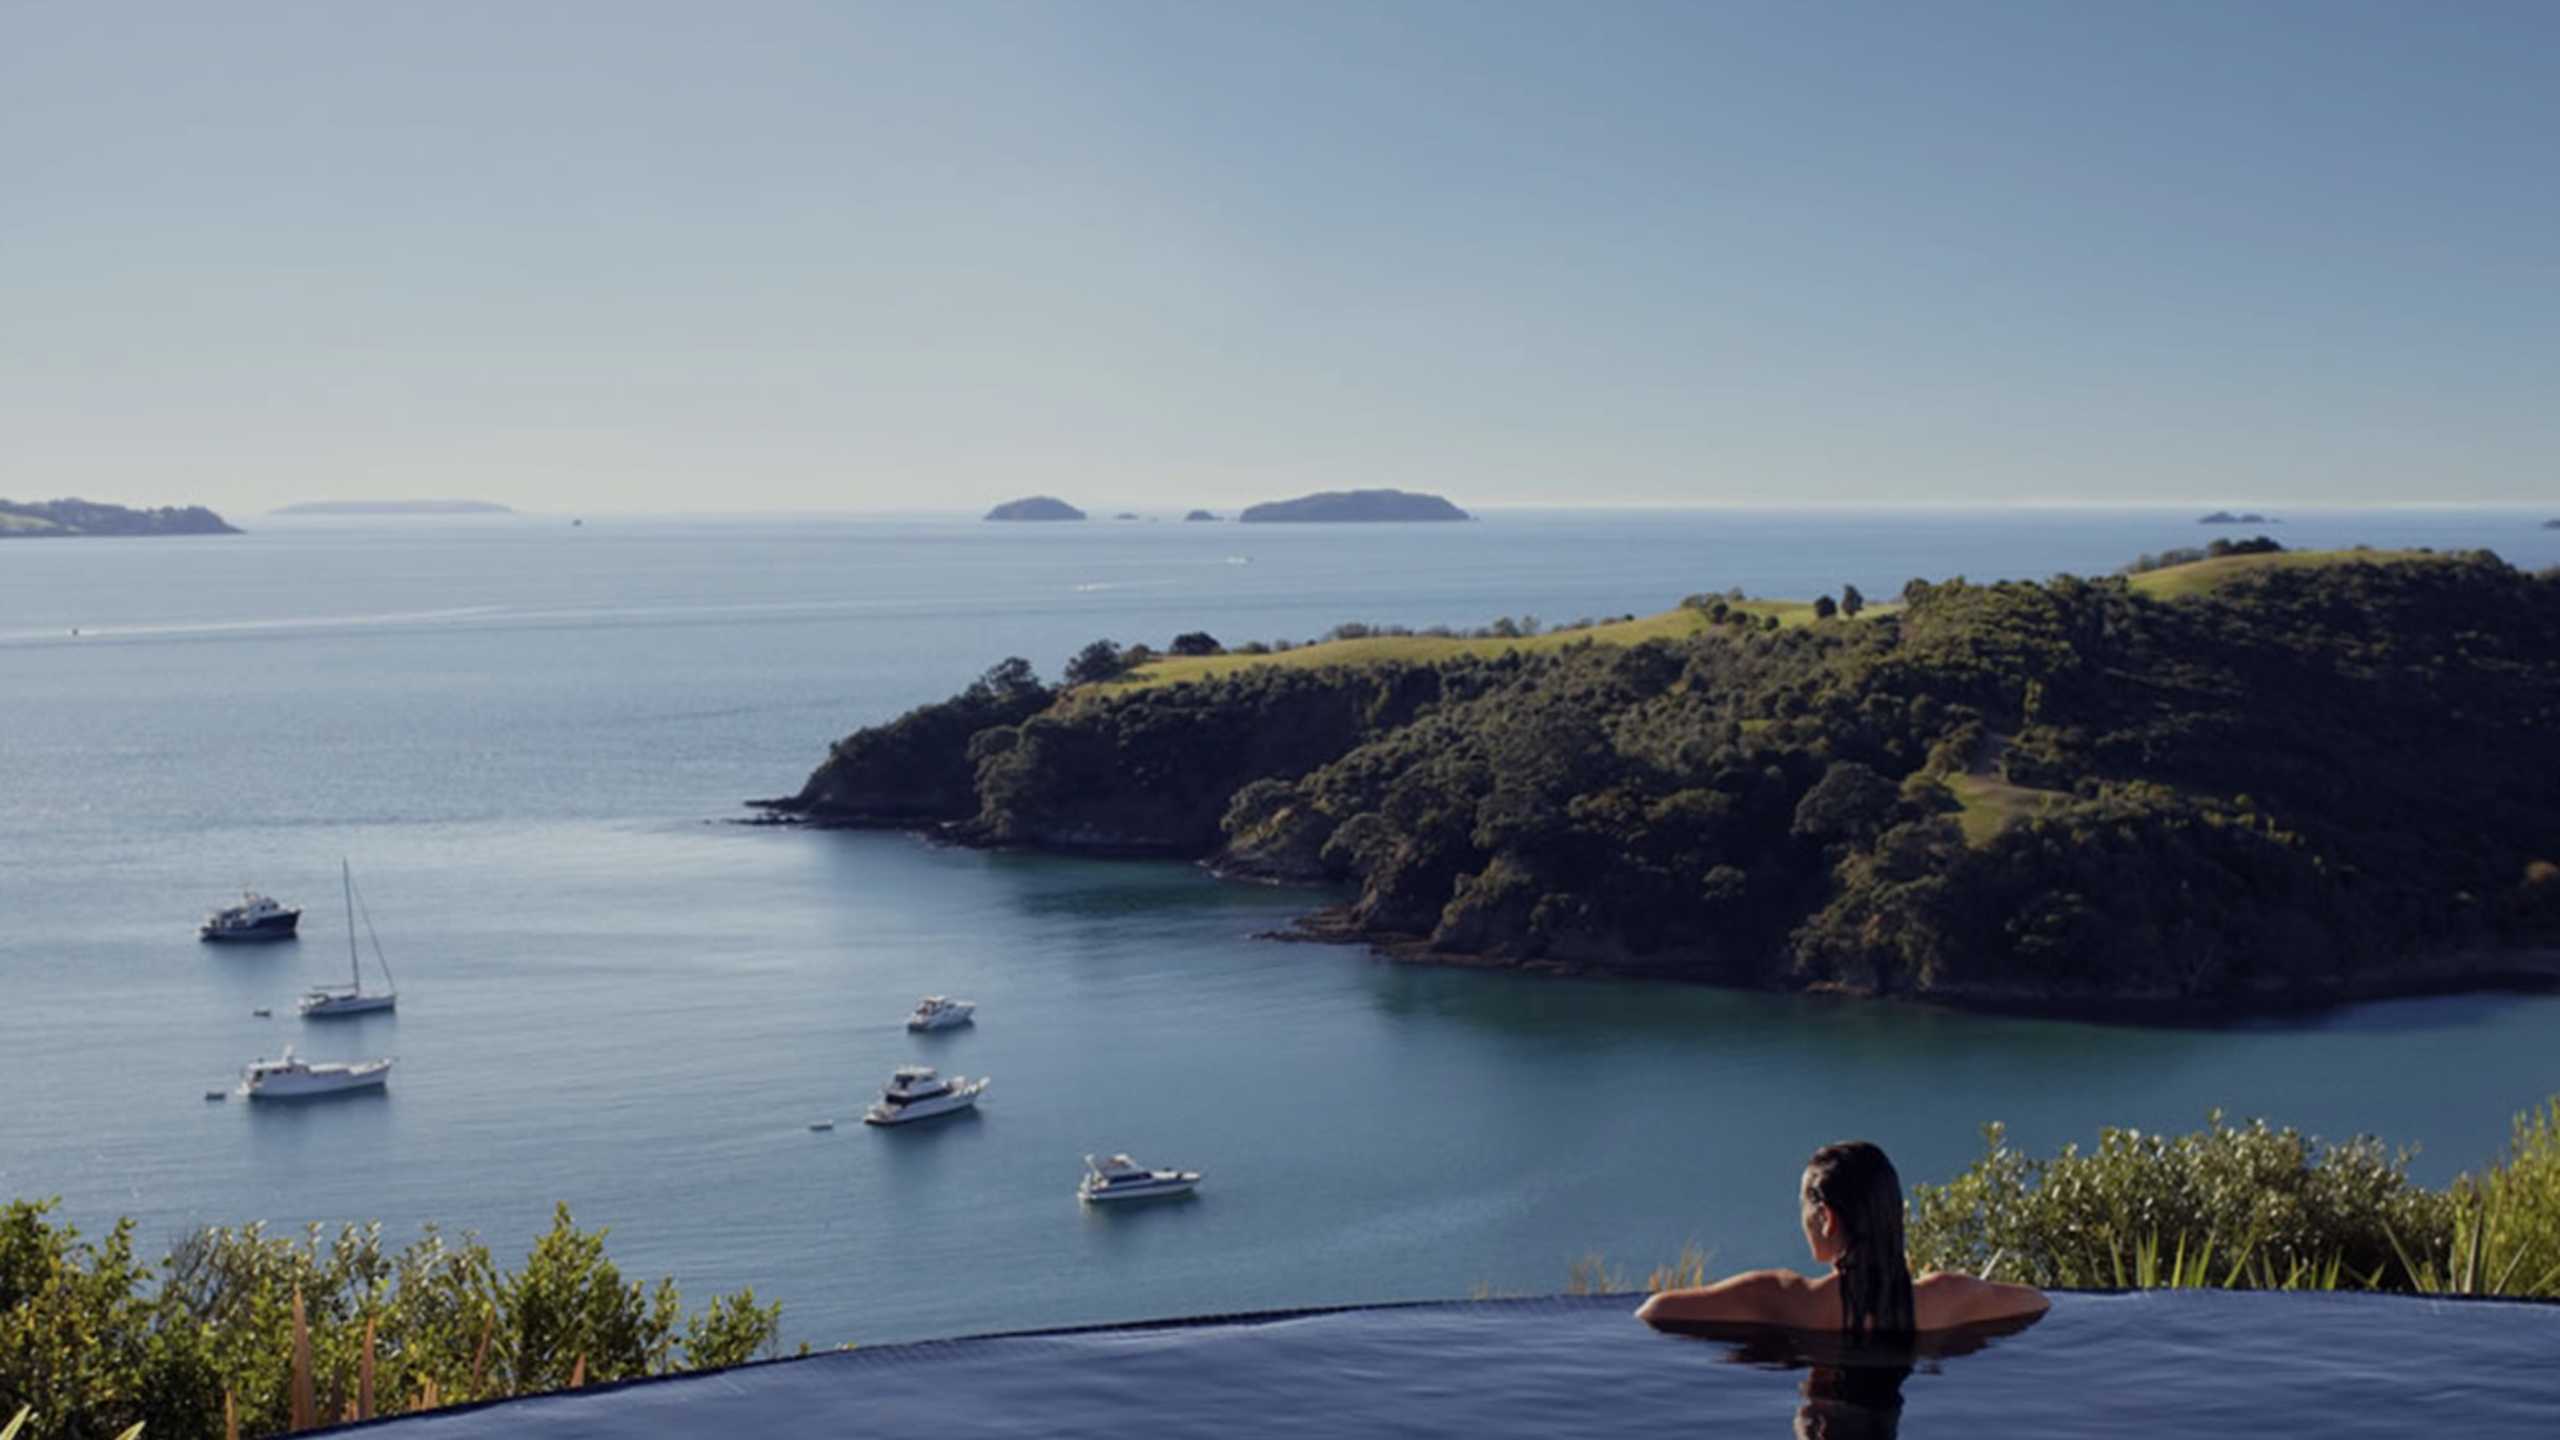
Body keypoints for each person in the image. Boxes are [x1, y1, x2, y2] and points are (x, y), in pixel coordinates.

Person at [1635, 1140, 2048, 1334]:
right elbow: (2037, 1301)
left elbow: (1655, 1310)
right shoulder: (1946, 1297)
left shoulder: (1780, 1298)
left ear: (1827, 1218)